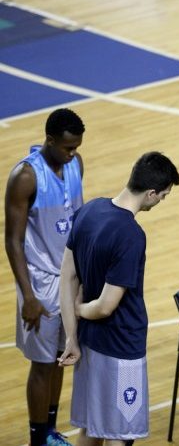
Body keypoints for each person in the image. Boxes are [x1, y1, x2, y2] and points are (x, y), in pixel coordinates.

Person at [58, 152, 179, 445]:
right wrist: (81, 308)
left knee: (91, 428)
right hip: (123, 350)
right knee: (121, 435)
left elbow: (67, 277)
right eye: (163, 195)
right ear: (150, 193)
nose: (161, 201)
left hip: (88, 343)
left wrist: (71, 335)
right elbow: (105, 306)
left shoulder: (89, 210)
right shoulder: (131, 235)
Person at [5, 108, 85, 446]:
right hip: (40, 282)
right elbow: (13, 240)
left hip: (71, 278)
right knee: (41, 364)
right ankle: (38, 439)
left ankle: (51, 431)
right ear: (49, 140)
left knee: (61, 358)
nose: (71, 154)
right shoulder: (25, 176)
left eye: (76, 147)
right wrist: (29, 296)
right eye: (66, 148)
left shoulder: (76, 163)